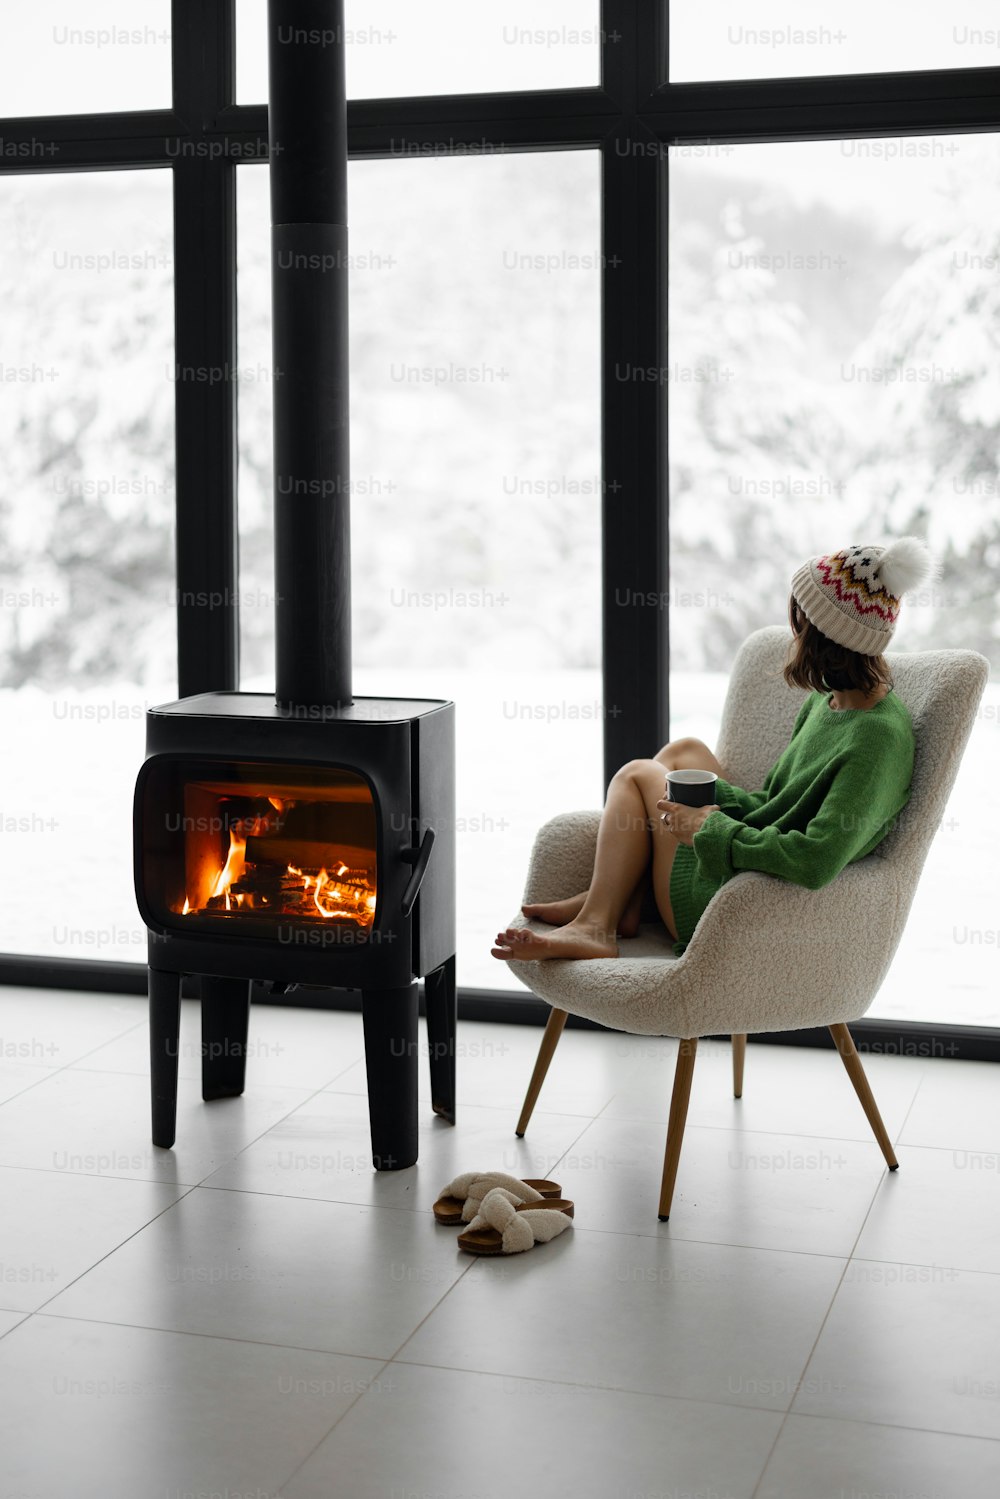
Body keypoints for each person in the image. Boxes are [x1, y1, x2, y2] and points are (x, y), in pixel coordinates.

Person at [492, 536, 936, 963]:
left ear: (826, 639)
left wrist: (711, 828)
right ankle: (618, 901)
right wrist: (710, 806)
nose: (793, 638)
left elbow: (815, 859)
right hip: (740, 860)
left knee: (637, 774)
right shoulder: (833, 701)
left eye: (799, 626)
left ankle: (597, 924)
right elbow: (773, 804)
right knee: (686, 750)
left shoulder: (877, 739)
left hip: (736, 901)